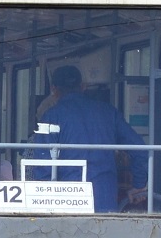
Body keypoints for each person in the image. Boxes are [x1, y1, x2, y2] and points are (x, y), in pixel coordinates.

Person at [37, 65, 146, 212]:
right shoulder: (109, 112)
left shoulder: (50, 117)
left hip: (66, 200)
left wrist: (43, 200)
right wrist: (139, 185)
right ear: (83, 86)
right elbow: (139, 148)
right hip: (105, 198)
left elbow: (42, 162)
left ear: (53, 90)